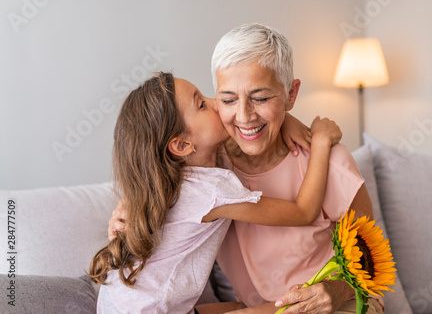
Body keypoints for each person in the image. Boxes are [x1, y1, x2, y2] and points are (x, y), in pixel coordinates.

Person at [110, 23, 382, 313]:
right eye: (227, 99)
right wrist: (127, 206)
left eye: (261, 98)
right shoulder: (213, 161)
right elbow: (153, 162)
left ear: (291, 95)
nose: (243, 116)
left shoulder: (331, 163)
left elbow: (371, 265)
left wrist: (335, 290)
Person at [89, 71, 341, 314]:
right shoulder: (211, 191)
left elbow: (250, 129)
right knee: (287, 307)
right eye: (201, 105)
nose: (216, 102)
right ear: (182, 145)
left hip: (118, 305)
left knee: (243, 308)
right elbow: (303, 211)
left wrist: (285, 121)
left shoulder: (173, 175)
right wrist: (320, 143)